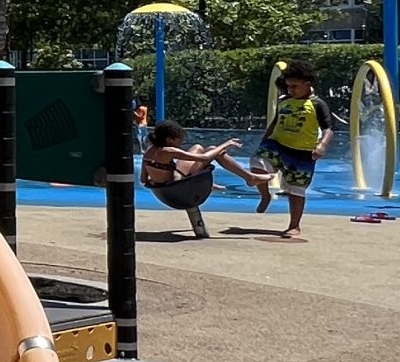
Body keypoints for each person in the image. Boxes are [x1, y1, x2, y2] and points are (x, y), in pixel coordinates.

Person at [139, 122, 271, 237]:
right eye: (179, 140)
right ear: (169, 139)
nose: (181, 143)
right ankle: (250, 178)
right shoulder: (168, 151)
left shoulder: (149, 152)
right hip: (181, 187)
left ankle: (217, 183)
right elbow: (203, 159)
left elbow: (143, 179)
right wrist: (226, 144)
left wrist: (159, 178)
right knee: (214, 150)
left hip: (168, 187)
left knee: (197, 147)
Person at [257, 62, 334, 241]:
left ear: (307, 84)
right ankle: (265, 195)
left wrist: (322, 145)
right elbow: (275, 122)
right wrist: (265, 139)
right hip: (278, 144)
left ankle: (294, 225)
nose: (290, 90)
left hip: (302, 152)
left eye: (294, 86)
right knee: (258, 163)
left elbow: (328, 128)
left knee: (296, 189)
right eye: (288, 86)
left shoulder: (317, 104)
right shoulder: (284, 101)